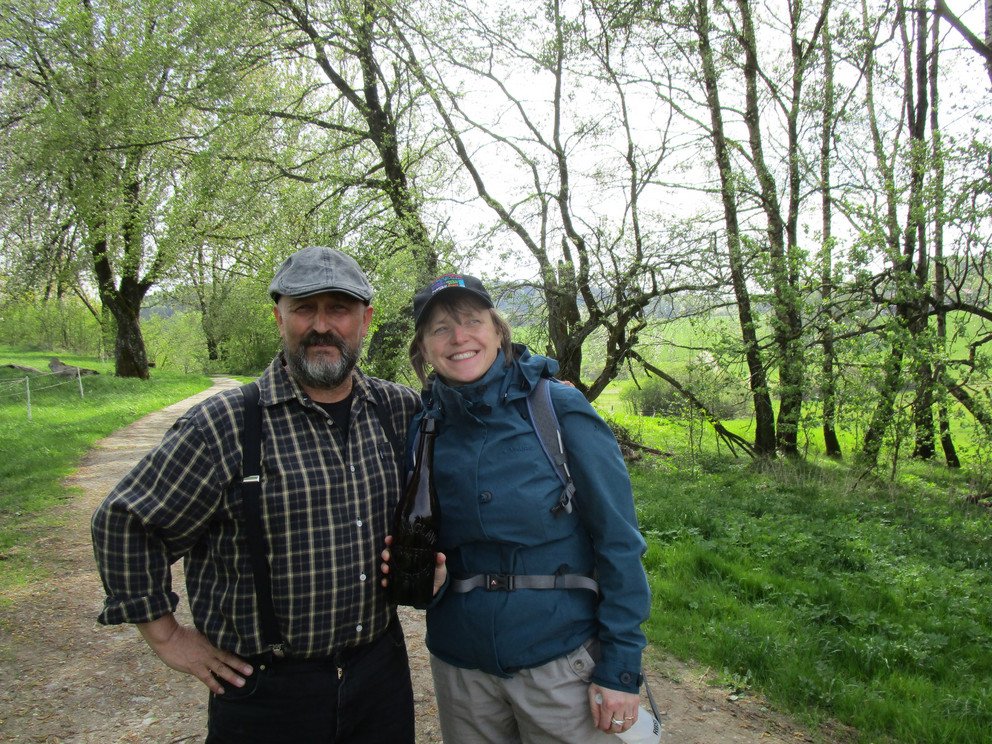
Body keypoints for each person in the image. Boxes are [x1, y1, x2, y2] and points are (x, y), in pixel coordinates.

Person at [91, 246, 421, 743]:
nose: (321, 325)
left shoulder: (398, 409)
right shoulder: (224, 424)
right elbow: (125, 522)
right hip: (265, 694)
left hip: (379, 676)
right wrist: (168, 636)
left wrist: (543, 388)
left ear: (366, 320)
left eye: (339, 309)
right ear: (279, 317)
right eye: (304, 308)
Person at [384, 273, 651, 743]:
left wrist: (621, 668)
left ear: (498, 330)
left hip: (560, 664)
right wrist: (429, 579)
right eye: (440, 328)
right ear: (423, 349)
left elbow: (619, 541)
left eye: (472, 321)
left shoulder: (558, 409)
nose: (459, 337)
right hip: (461, 670)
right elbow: (424, 546)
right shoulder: (422, 428)